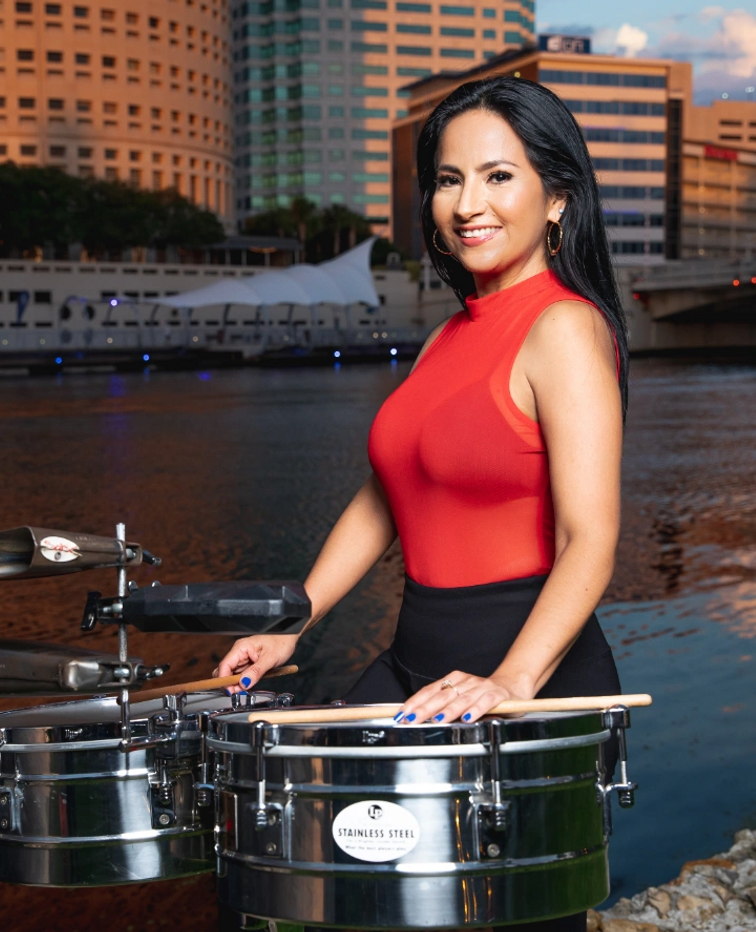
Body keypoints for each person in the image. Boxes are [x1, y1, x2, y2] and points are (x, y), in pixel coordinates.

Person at [213, 76, 628, 932]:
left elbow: (592, 539)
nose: (468, 204)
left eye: (498, 176)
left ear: (558, 198)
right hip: (416, 660)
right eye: (449, 180)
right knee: (320, 887)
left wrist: (511, 682)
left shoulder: (565, 328)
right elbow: (386, 497)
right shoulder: (450, 333)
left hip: (522, 673)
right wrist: (296, 619)